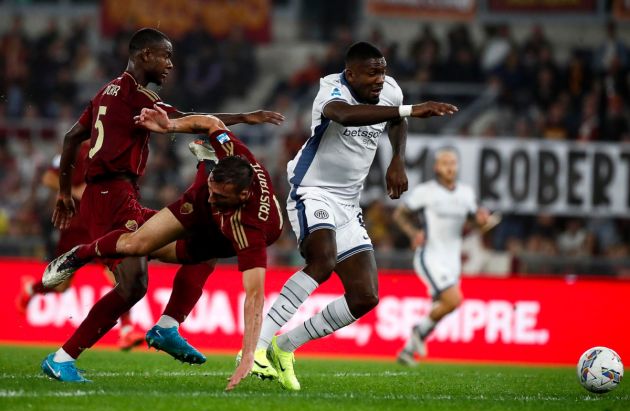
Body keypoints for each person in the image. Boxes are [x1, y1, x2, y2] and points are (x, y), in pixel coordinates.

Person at [38, 27, 283, 383]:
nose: (170, 64)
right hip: (111, 198)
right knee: (133, 285)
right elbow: (182, 118)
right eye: (165, 56)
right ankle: (62, 354)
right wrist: (243, 117)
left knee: (205, 244)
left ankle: (167, 326)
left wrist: (64, 190)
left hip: (116, 196)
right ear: (143, 56)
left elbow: (72, 136)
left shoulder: (107, 91)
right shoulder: (138, 98)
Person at [250, 41, 459, 390]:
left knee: (365, 296)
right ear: (351, 74)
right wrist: (410, 110)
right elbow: (345, 115)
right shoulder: (330, 89)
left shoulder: (391, 91)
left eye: (383, 70)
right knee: (322, 261)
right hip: (311, 189)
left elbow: (395, 122)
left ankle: (285, 346)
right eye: (372, 72)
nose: (380, 79)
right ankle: (257, 345)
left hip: (349, 203)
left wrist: (397, 160)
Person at [16, 142, 145, 351]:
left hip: (101, 225)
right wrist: (75, 192)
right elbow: (48, 178)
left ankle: (127, 331)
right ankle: (31, 288)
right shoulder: (75, 150)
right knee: (61, 285)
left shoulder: (114, 150)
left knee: (119, 275)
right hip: (75, 228)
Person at [392, 148, 495, 366]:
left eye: (453, 162)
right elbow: (399, 214)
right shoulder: (425, 192)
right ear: (436, 167)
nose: (450, 166)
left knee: (440, 307)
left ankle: (408, 351)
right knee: (453, 300)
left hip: (452, 259)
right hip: (430, 256)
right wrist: (414, 233)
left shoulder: (466, 194)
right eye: (445, 162)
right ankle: (418, 332)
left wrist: (482, 220)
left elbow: (474, 223)